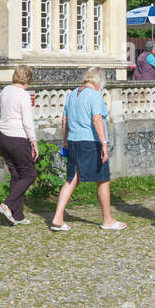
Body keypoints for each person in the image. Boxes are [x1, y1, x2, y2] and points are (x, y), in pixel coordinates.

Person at [51, 67, 124, 231]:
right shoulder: (95, 95)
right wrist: (104, 143)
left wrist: (65, 141)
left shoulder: (72, 94)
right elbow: (97, 119)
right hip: (91, 141)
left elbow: (64, 119)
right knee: (103, 179)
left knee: (72, 179)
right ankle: (107, 219)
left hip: (73, 140)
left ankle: (57, 217)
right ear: (99, 82)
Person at [0, 65, 39, 226]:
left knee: (16, 175)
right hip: (18, 137)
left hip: (3, 137)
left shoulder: (5, 90)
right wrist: (34, 141)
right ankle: (7, 203)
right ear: (28, 80)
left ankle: (17, 215)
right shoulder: (23, 95)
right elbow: (27, 122)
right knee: (30, 174)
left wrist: (4, 125)